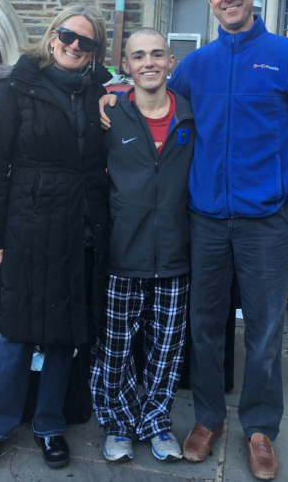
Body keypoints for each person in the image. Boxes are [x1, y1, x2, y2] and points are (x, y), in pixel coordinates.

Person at [100, 0, 288, 480]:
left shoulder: (287, 57)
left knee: (265, 328)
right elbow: (150, 95)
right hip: (203, 220)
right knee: (203, 327)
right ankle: (207, 419)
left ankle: (258, 428)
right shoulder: (196, 65)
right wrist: (110, 94)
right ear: (209, 0)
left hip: (267, 222)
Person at [0, 4, 113, 471]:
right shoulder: (17, 85)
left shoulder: (100, 93)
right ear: (53, 36)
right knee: (17, 329)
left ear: (95, 52)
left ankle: (50, 425)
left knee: (63, 333)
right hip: (28, 222)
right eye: (69, 36)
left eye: (86, 42)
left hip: (80, 226)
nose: (75, 46)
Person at [91, 28, 195, 464]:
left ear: (171, 61)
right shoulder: (112, 114)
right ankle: (117, 422)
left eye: (156, 54)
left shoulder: (192, 116)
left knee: (166, 349)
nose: (148, 62)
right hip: (123, 253)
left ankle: (155, 421)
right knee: (115, 346)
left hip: (175, 254)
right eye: (138, 56)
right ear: (127, 66)